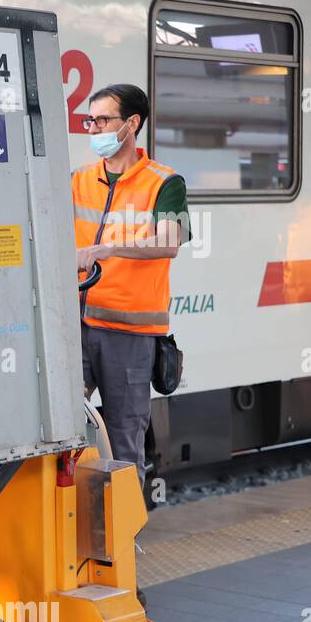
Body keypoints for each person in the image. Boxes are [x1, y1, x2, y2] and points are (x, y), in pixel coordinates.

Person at [73, 84, 188, 483]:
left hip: (129, 334)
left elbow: (170, 241)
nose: (94, 129)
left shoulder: (165, 182)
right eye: (91, 120)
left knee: (123, 440)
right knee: (63, 432)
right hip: (77, 327)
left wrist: (107, 249)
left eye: (103, 120)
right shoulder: (79, 180)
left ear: (131, 124)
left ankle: (124, 540)